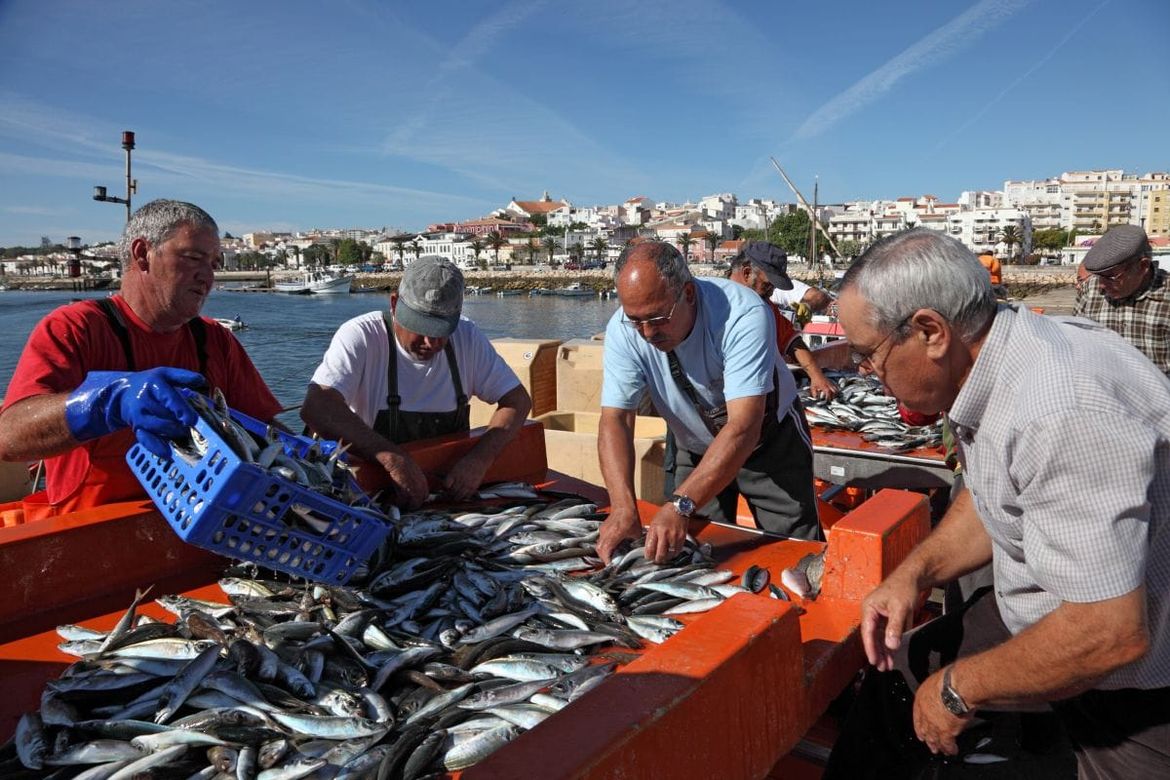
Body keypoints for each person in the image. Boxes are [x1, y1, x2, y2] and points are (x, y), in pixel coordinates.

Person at [835, 228, 1170, 776]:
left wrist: (957, 690)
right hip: (1044, 613)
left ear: (930, 331)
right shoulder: (1005, 356)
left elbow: (1110, 630)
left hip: (1133, 674)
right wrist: (913, 575)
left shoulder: (1058, 412)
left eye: (868, 355)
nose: (866, 374)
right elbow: (996, 497)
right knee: (893, 682)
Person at [0, 199, 282, 518]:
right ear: (142, 254)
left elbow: (266, 429)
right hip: (91, 534)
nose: (208, 277)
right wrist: (109, 402)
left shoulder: (215, 340)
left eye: (214, 264)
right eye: (193, 258)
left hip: (202, 531)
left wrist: (315, 461)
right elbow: (10, 436)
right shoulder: (76, 328)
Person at [597, 241, 820, 565]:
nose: (646, 332)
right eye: (636, 320)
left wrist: (681, 505)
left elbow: (743, 426)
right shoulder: (623, 329)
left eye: (658, 318)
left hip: (769, 444)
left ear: (688, 294)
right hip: (694, 443)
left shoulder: (743, 313)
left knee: (795, 553)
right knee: (695, 552)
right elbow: (615, 419)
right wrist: (622, 506)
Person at [301, 256, 531, 508]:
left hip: (447, 495)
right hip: (373, 493)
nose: (431, 342)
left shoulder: (467, 336)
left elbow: (517, 401)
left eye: (441, 330)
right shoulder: (362, 336)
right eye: (421, 327)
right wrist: (391, 458)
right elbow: (317, 406)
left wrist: (480, 458)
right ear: (394, 304)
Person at [727, 241, 839, 401]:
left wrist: (816, 376)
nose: (772, 291)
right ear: (746, 273)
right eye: (767, 285)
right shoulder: (713, 300)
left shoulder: (764, 306)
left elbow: (791, 340)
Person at [1073, 224, 1170, 376]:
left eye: (1111, 277)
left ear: (1143, 266)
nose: (1102, 285)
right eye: (1098, 275)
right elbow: (1076, 342)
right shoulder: (1089, 290)